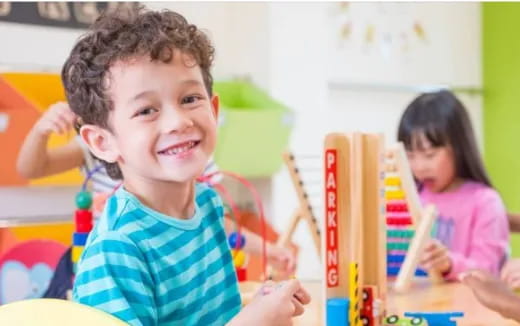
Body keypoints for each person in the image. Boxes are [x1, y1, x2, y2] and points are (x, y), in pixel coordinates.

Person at [62, 6, 309, 325]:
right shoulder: (117, 248)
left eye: (190, 99)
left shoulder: (207, 205)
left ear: (214, 109)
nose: (178, 122)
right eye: (146, 110)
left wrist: (257, 307)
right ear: (103, 143)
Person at [397, 90, 509, 280]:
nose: (419, 166)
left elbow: (488, 270)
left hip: (466, 306)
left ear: (458, 148)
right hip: (417, 303)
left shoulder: (485, 203)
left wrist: (448, 263)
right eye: (410, 156)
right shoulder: (411, 197)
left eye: (429, 155)